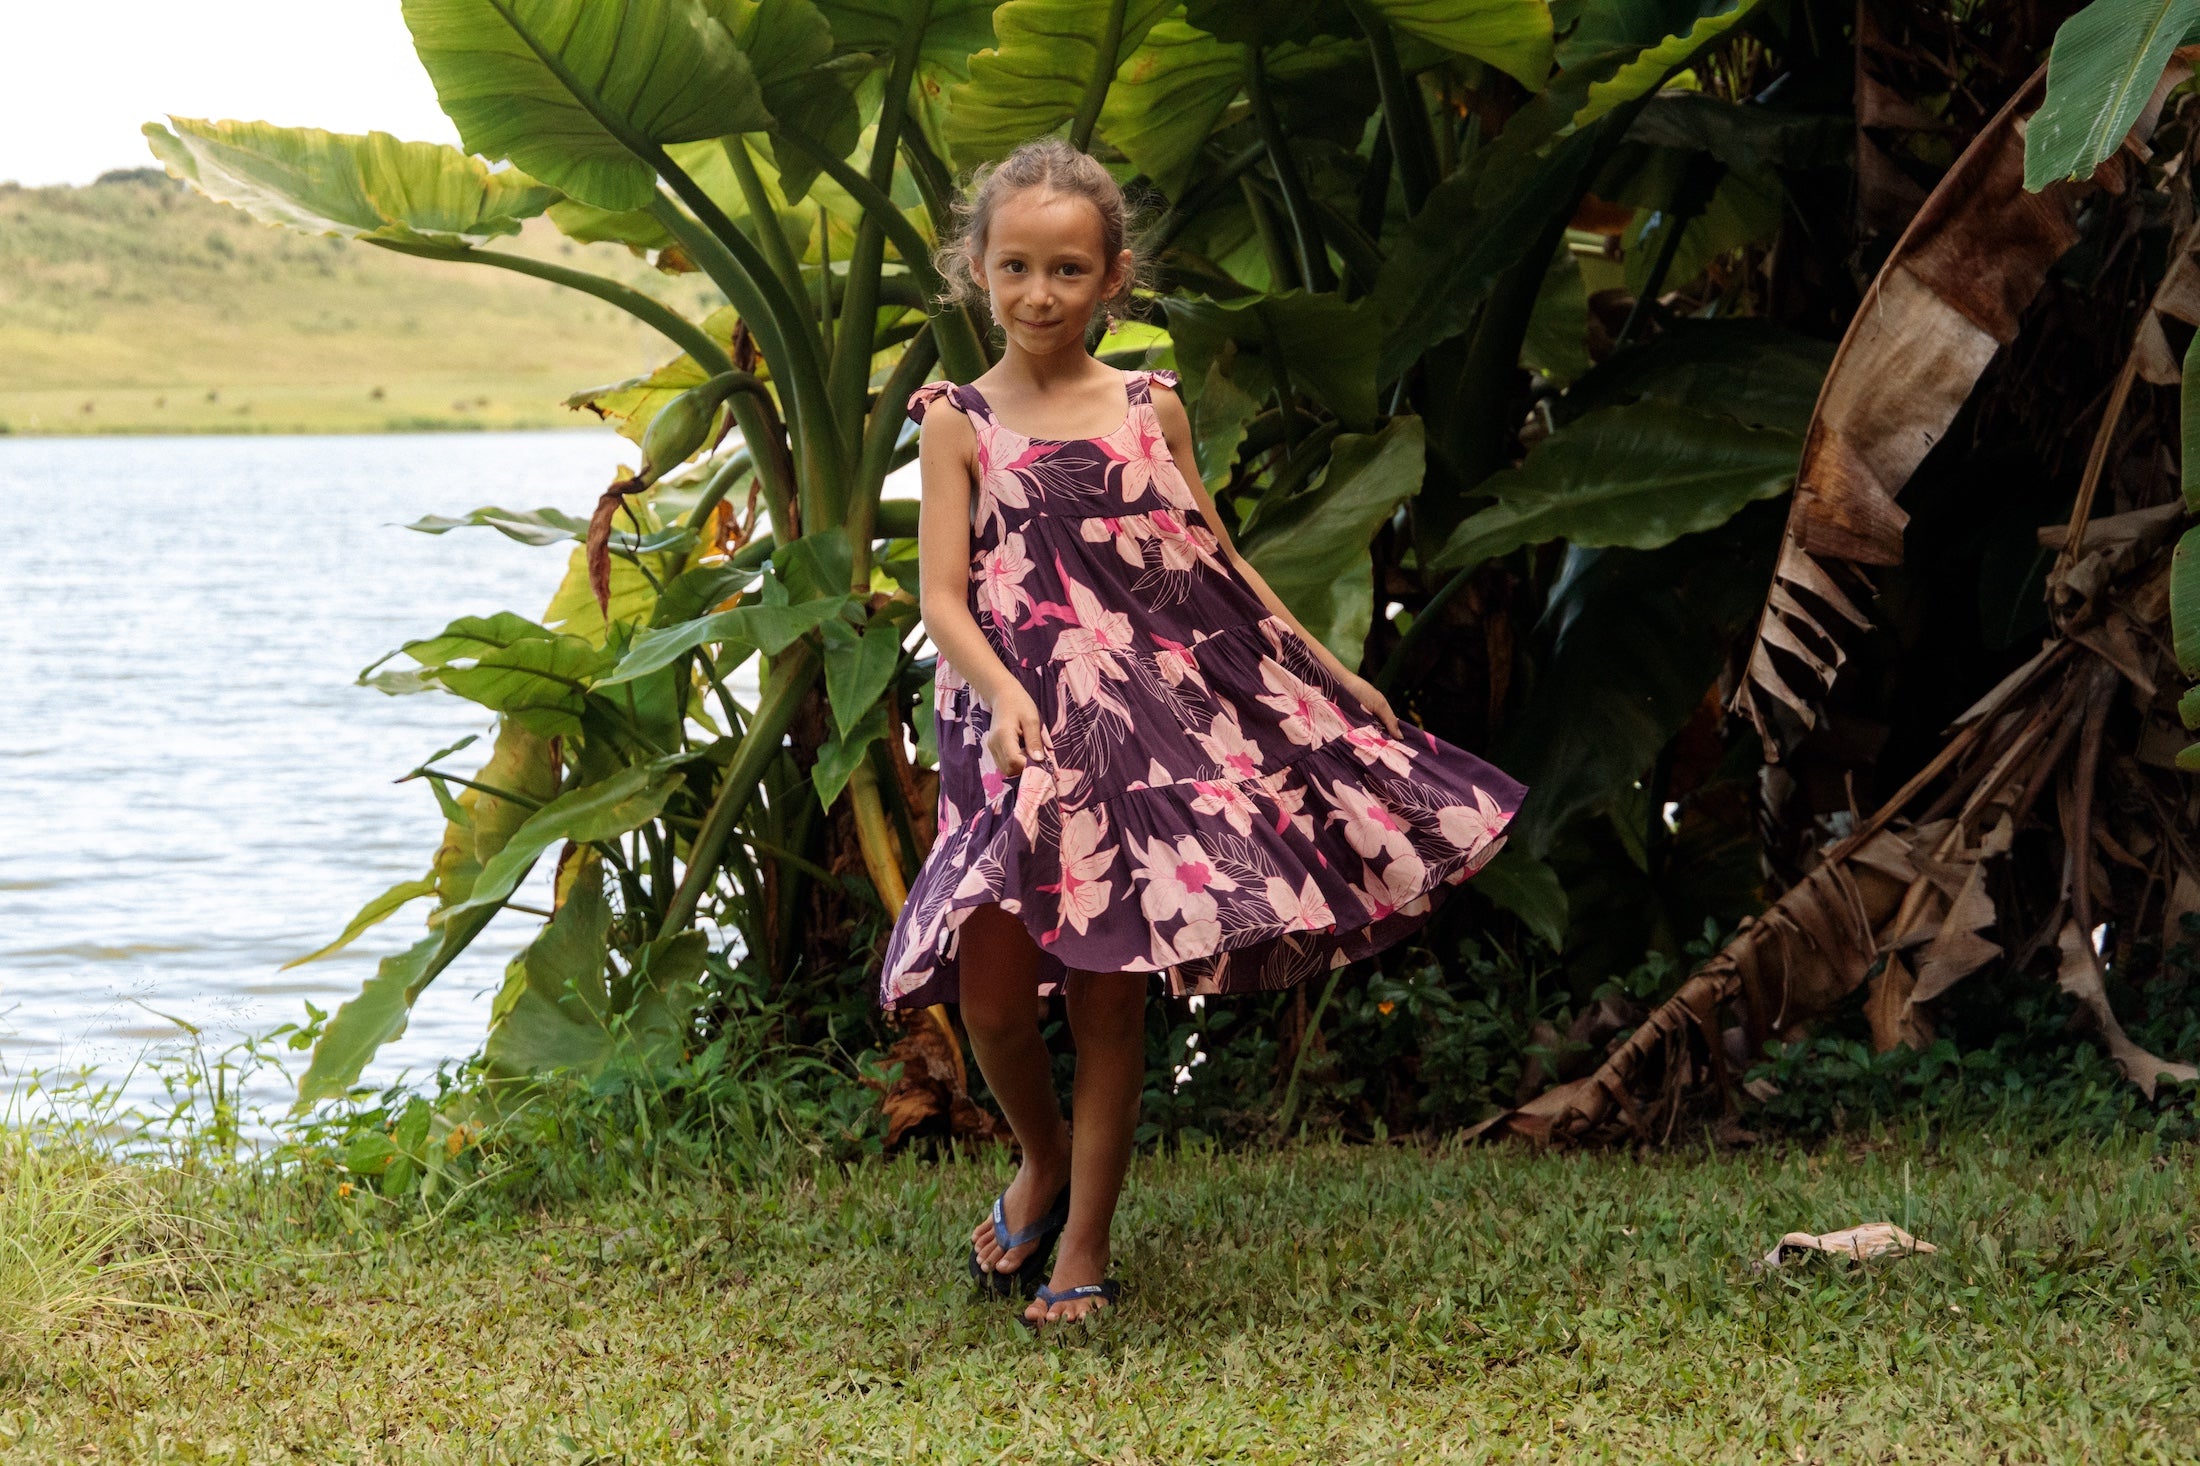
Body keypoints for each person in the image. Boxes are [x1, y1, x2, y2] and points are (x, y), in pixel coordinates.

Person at [878, 137, 1526, 1328]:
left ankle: (1083, 1236)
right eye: (1014, 266)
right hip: (1008, 728)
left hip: (1142, 734)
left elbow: (1217, 564)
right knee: (992, 1000)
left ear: (1112, 277)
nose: (1038, 293)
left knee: (1110, 993)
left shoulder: (1148, 406)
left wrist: (1330, 669)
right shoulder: (956, 422)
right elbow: (939, 600)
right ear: (973, 268)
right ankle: (1039, 1154)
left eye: (1067, 270)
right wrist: (1006, 692)